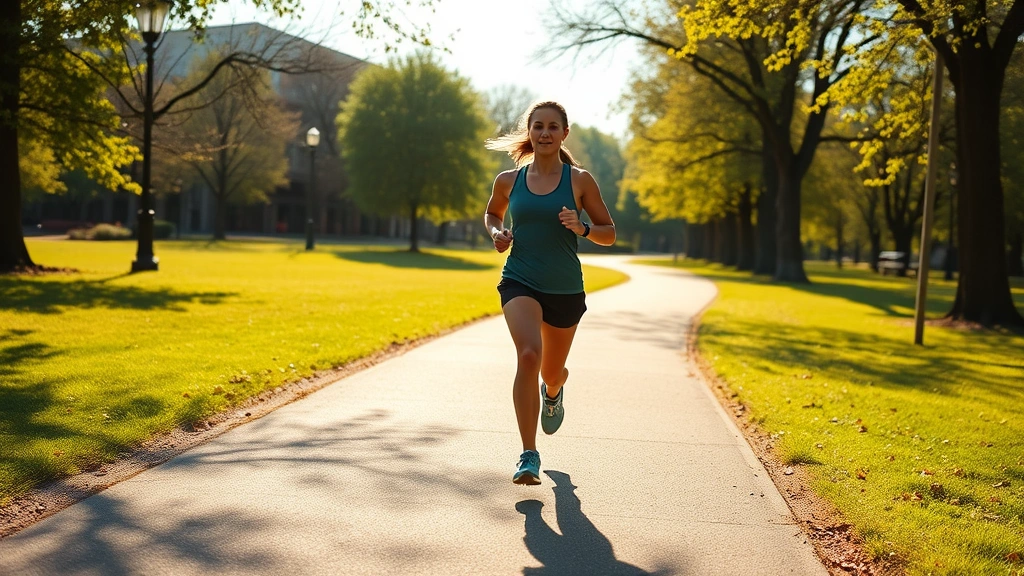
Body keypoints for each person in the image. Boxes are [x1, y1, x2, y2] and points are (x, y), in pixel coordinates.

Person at [483, 101, 616, 485]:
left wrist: (583, 228)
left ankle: (554, 389)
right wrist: (497, 234)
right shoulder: (508, 181)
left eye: (552, 127)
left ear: (564, 134)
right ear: (530, 131)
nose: (545, 133)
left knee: (550, 370)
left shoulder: (580, 181)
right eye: (538, 126)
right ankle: (529, 454)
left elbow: (609, 233)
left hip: (565, 289)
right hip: (519, 279)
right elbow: (493, 214)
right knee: (528, 355)